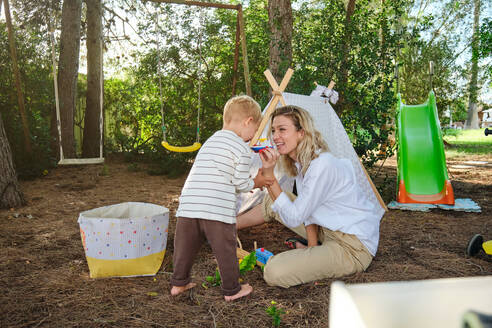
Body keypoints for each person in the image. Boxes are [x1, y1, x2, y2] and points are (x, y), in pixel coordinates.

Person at [237, 105, 384, 288]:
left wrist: (270, 178)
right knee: (272, 200)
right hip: (329, 229)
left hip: (352, 247)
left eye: (282, 130)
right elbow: (308, 214)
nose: (275, 137)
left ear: (301, 133)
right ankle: (227, 227)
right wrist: (312, 250)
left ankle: (316, 257)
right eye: (273, 130)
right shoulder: (302, 164)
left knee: (274, 271)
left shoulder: (321, 165)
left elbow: (294, 217)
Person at [170, 95, 273, 301]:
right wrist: (258, 181)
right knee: (225, 250)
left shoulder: (211, 141)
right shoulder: (242, 149)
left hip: (189, 208)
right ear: (248, 122)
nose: (252, 136)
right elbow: (241, 183)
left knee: (184, 248)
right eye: (254, 131)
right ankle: (232, 290)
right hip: (217, 211)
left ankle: (178, 283)